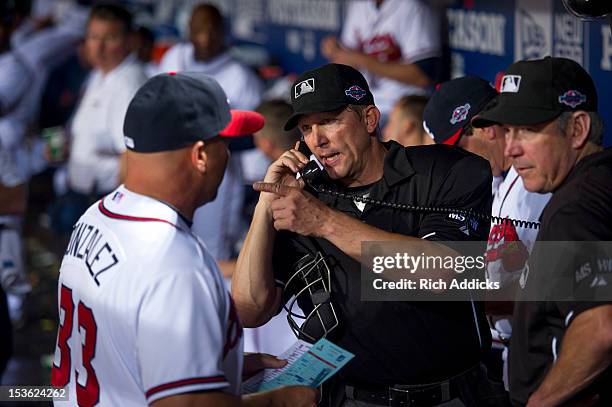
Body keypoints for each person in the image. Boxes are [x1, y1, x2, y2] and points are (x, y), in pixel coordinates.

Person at [232, 63, 502, 407]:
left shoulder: (447, 169)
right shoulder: (304, 198)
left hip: (450, 396)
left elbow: (446, 273)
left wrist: (325, 223)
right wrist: (265, 205)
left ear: (370, 119)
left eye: (329, 120)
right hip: (349, 398)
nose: (318, 139)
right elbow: (249, 309)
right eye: (306, 128)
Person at [51, 71, 316, 407]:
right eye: (225, 143)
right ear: (200, 156)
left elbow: (120, 349)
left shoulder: (95, 218)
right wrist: (281, 401)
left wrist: (219, 367)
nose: (229, 155)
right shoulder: (175, 261)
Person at [472, 56, 612, 406]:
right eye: (507, 132)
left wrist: (542, 401)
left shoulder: (574, 209)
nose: (510, 149)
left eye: (528, 130)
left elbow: (600, 326)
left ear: (577, 129)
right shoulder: (598, 183)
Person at [423, 75, 551, 388]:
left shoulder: (537, 184)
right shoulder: (497, 179)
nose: (456, 159)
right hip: (509, 352)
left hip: (545, 355)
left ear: (485, 127)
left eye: (459, 144)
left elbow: (561, 282)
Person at [159, 3, 265, 262]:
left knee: (211, 252)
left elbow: (255, 136)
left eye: (212, 30)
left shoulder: (240, 75)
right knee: (170, 243)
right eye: (198, 30)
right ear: (188, 30)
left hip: (216, 173)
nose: (205, 38)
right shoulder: (174, 57)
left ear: (223, 32)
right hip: (172, 165)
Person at [62, 3, 146, 229]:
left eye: (109, 38)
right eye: (93, 36)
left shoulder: (128, 83)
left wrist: (116, 216)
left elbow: (131, 157)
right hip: (80, 195)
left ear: (130, 40)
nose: (98, 47)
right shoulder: (98, 74)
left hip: (103, 203)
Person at [321, 0, 442, 117]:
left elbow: (422, 76)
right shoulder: (358, 6)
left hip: (401, 107)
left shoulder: (414, 7)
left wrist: (360, 59)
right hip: (365, 104)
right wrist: (336, 52)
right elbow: (346, 63)